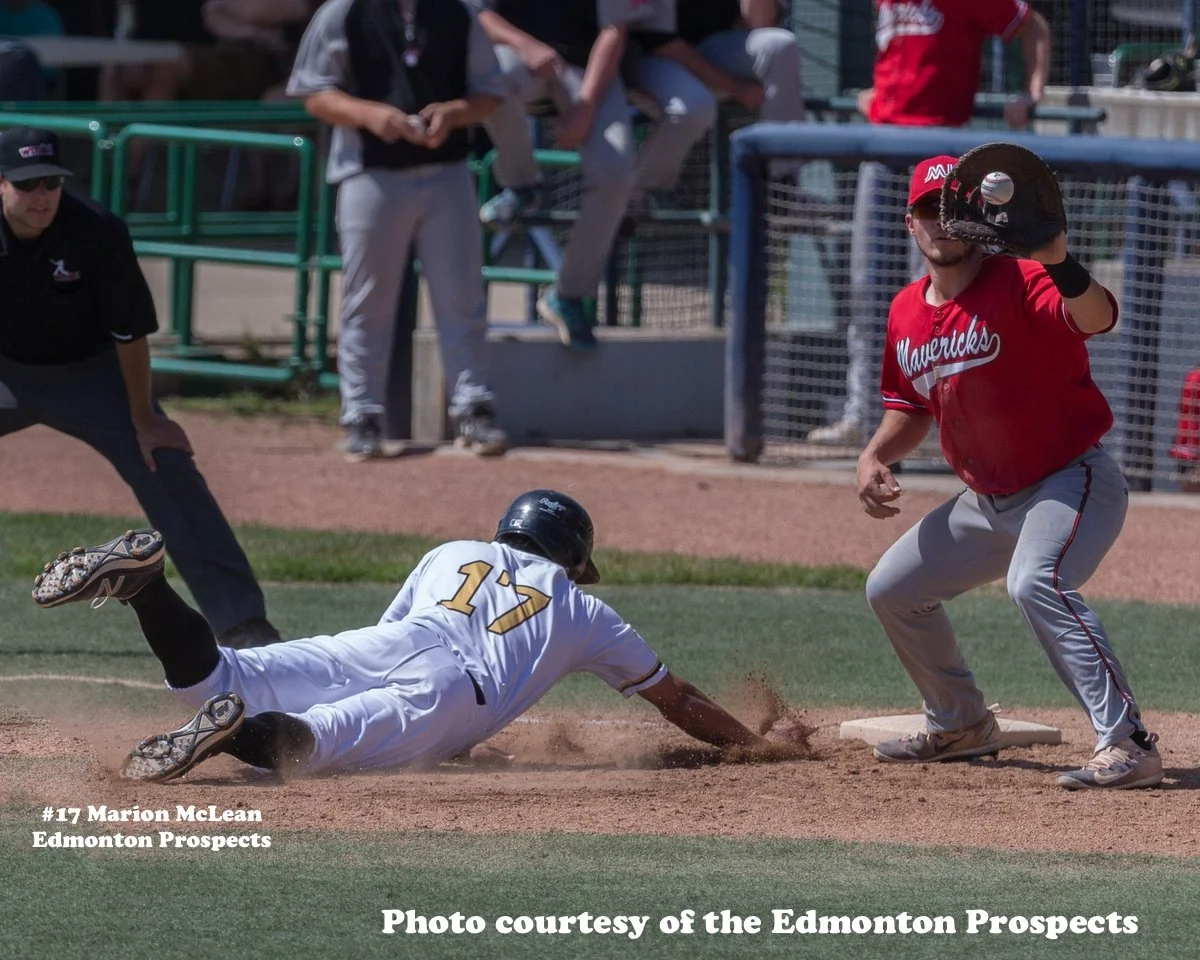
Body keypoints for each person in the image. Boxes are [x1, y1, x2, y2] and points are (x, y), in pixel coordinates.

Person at [31, 490, 800, 781]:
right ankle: (233, 734)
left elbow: (393, 636)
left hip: (397, 642)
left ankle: (149, 587)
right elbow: (678, 699)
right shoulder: (583, 609)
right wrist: (757, 747)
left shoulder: (453, 552)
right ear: (571, 557)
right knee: (311, 745)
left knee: (217, 675)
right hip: (454, 693)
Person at [856, 155, 1162, 791]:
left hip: (1067, 480)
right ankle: (961, 724)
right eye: (927, 209)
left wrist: (1058, 259)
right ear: (909, 223)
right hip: (985, 502)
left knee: (1035, 582)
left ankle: (1128, 742)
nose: (940, 221)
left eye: (952, 208)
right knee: (891, 589)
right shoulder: (905, 310)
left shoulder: (1022, 278)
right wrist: (874, 454)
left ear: (975, 217)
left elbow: (1098, 317)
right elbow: (911, 406)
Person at [0, 127, 280, 649]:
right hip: (5, 370)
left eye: (51, 183)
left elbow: (129, 334)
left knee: (164, 459)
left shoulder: (96, 230)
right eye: (26, 183)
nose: (42, 196)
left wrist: (146, 420)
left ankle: (243, 624)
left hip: (91, 372)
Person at [806, 0, 1051, 448]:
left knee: (943, 291)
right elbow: (903, 57)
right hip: (883, 147)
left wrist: (1032, 94)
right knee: (868, 290)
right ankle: (863, 414)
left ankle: (949, 419)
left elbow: (1032, 25)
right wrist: (878, 94)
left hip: (938, 154)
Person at [288, 0, 509, 459]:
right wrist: (370, 115)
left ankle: (473, 408)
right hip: (369, 172)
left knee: (461, 294)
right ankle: (361, 414)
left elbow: (490, 92)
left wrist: (454, 113)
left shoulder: (461, 11)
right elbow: (314, 93)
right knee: (366, 299)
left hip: (446, 171)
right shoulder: (344, 11)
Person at [470, 0, 688, 351]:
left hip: (589, 69)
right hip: (520, 58)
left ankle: (567, 295)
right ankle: (522, 184)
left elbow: (614, 30)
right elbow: (480, 13)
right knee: (488, 74)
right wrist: (526, 45)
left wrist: (585, 107)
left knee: (616, 173)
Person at [625, 0, 803, 206]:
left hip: (710, 46)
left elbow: (759, 26)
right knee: (692, 107)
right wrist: (734, 86)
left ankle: (784, 185)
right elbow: (659, 41)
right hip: (647, 54)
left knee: (781, 45)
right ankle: (637, 196)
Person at [1169, 366, 1200, 492]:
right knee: (1191, 482)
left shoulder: (1192, 375)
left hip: (1187, 437)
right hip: (1193, 439)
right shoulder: (1196, 377)